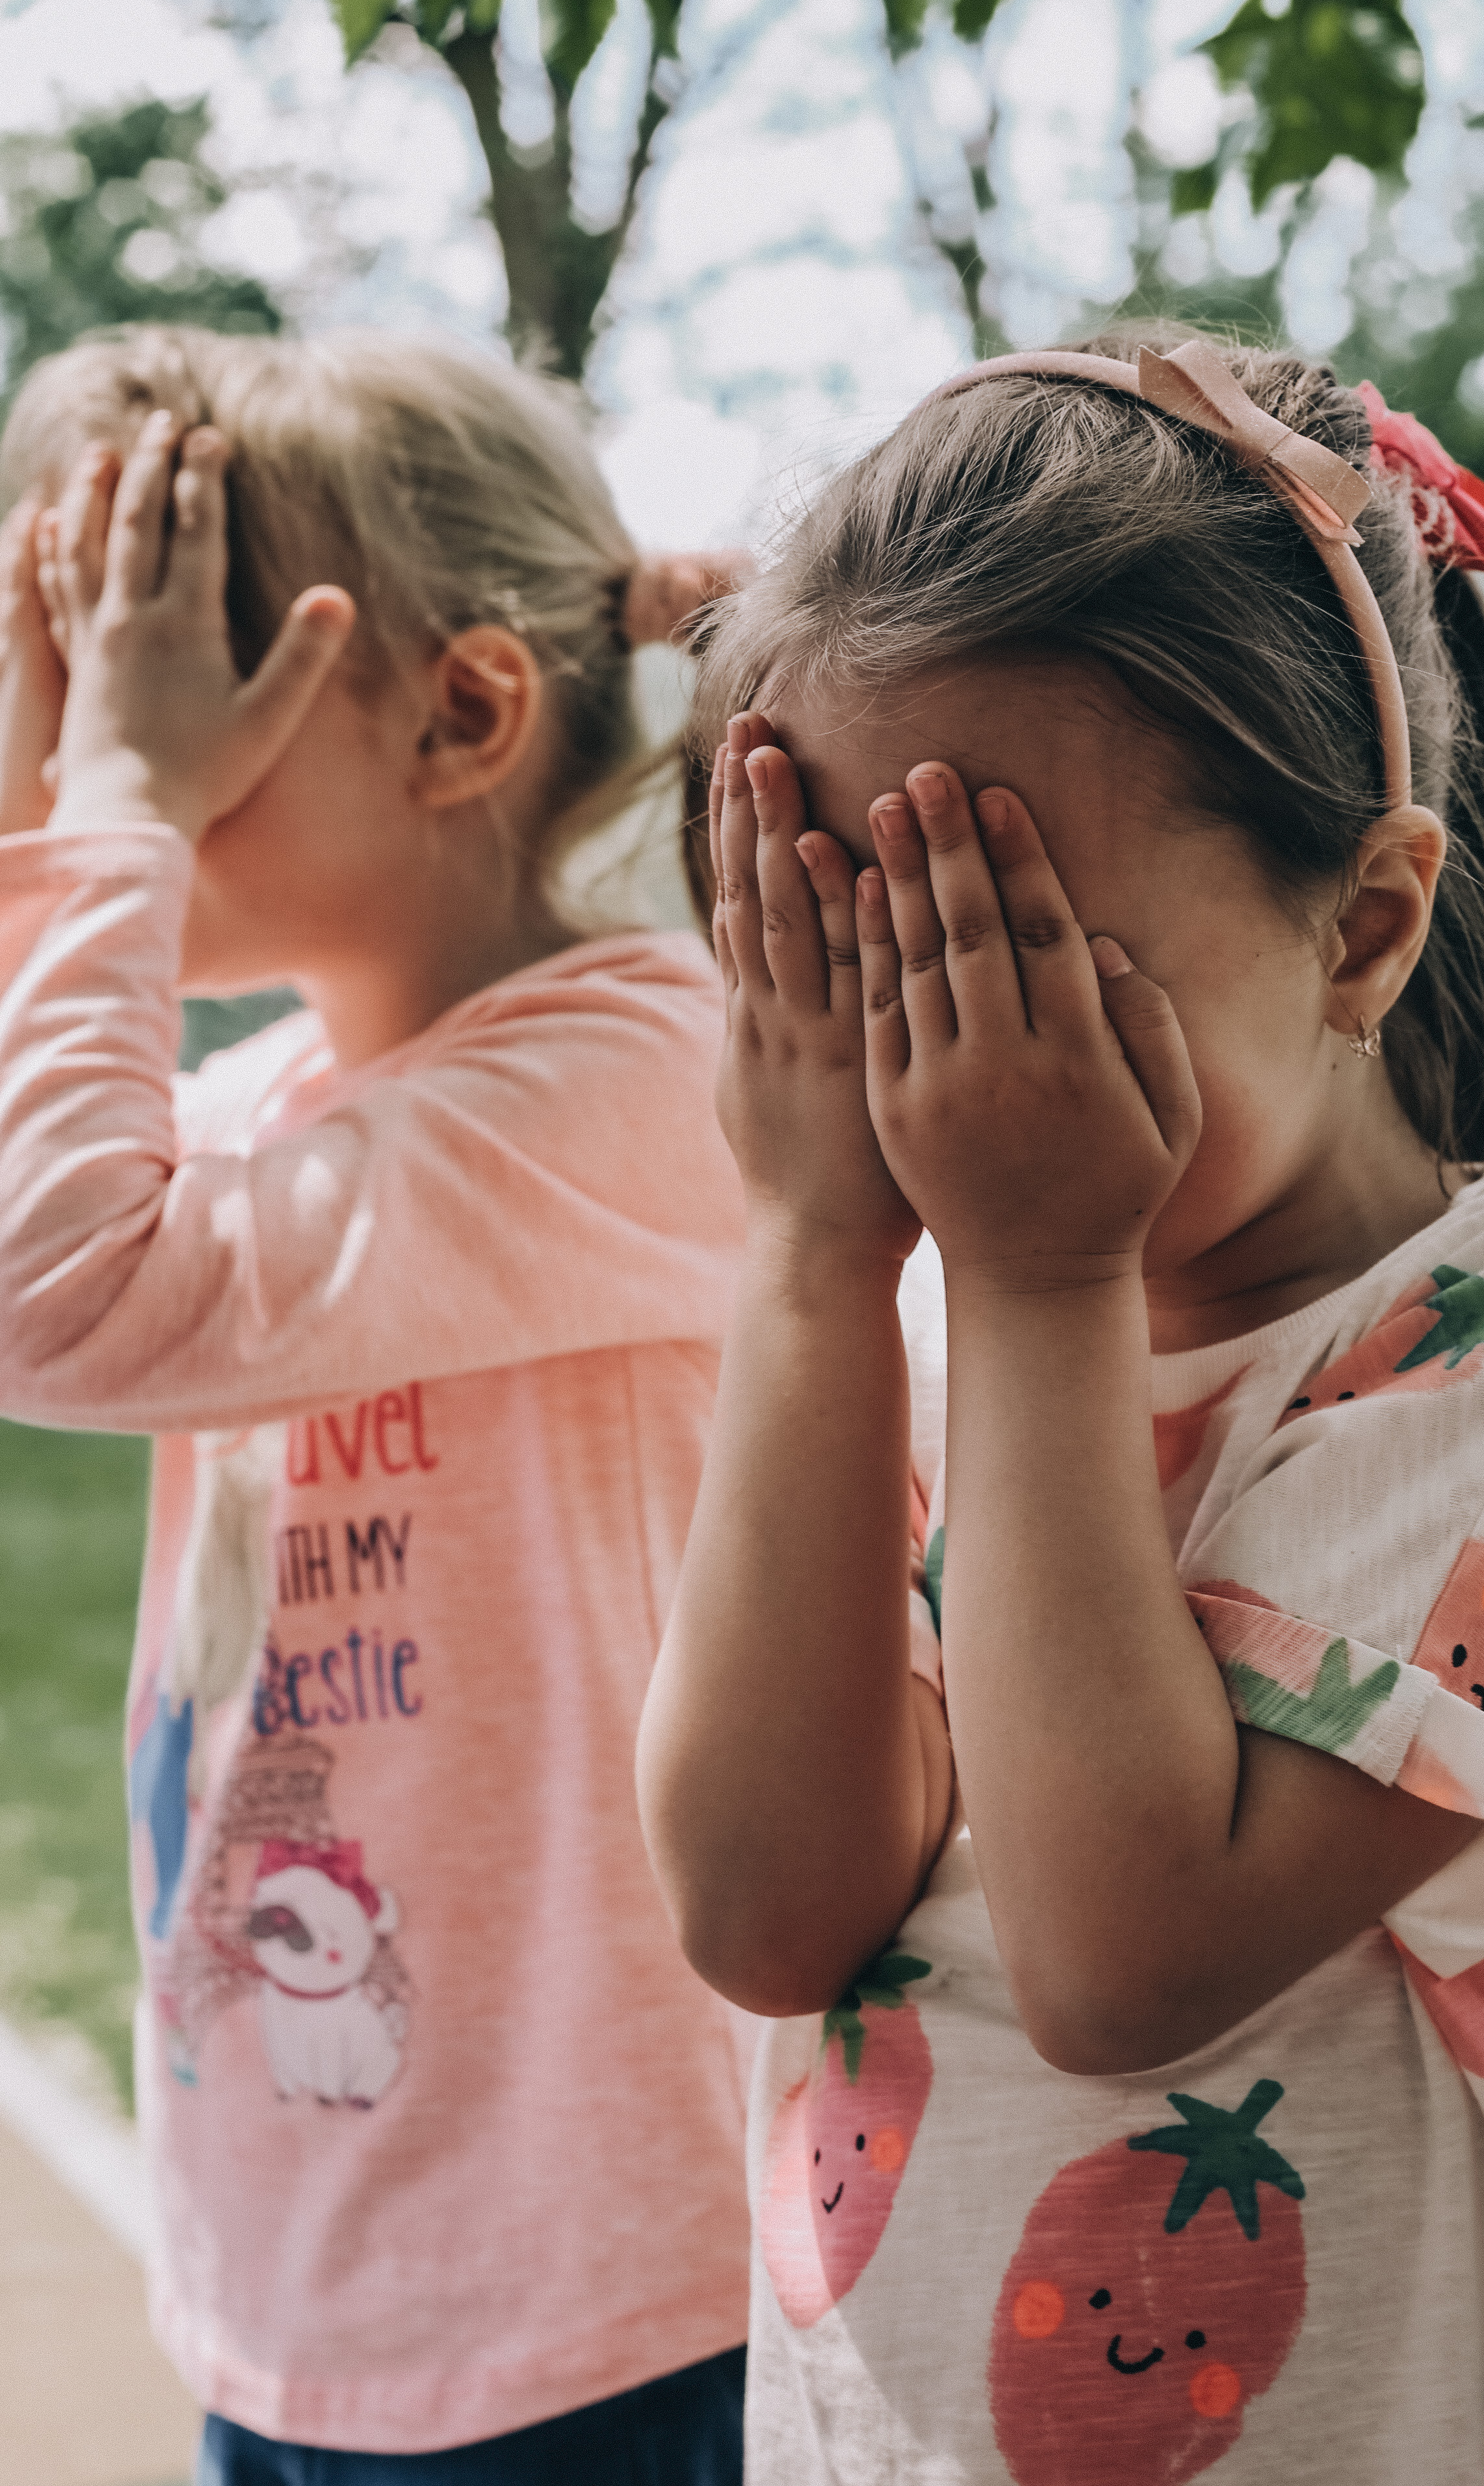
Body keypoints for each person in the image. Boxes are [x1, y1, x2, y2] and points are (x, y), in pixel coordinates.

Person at [636, 323, 1484, 2483]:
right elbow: (758, 1908)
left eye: (1031, 983)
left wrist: (1031, 1274)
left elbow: (1123, 1959)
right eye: (858, 973)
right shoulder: (895, 1330)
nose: (941, 1095)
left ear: (1364, 930)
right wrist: (819, 1263)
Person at [0, 327, 752, 2482]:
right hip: (319, 2261)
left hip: (599, 2300)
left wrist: (108, 824)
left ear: (459, 711)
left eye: (164, 654)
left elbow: (51, 1294)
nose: (89, 743)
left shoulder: (633, 1077)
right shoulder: (260, 1110)